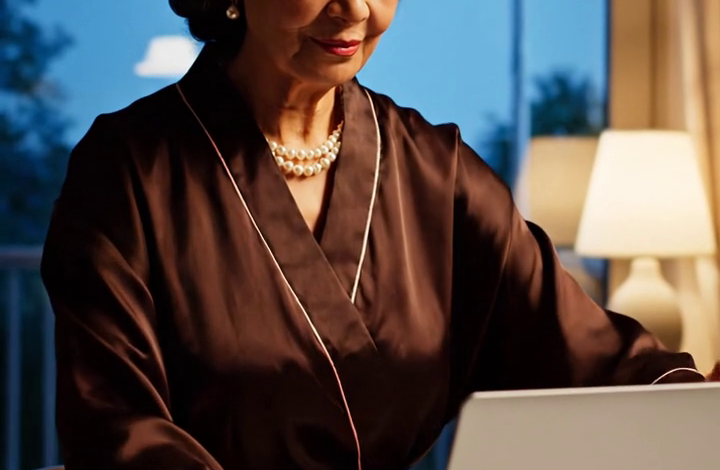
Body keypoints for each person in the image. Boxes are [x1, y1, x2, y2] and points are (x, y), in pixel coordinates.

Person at [40, 1, 717, 469]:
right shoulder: (128, 172)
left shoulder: (437, 172)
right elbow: (116, 428)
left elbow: (590, 355)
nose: (355, 9)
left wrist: (696, 406)